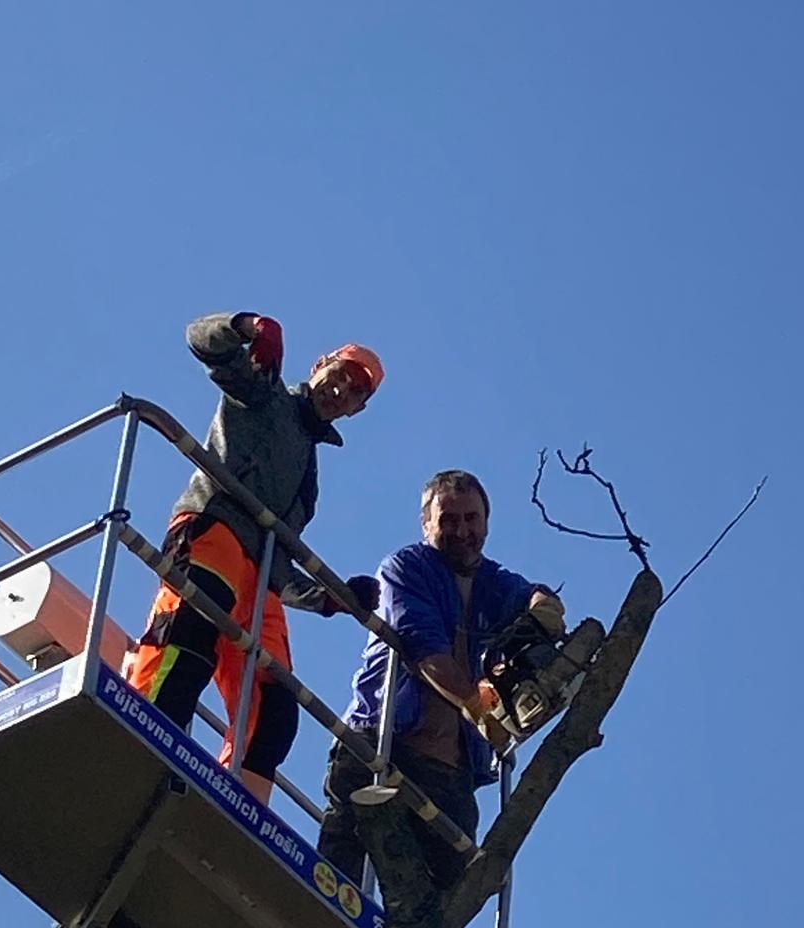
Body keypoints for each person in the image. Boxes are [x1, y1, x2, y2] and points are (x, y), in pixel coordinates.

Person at [128, 311, 384, 805]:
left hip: (261, 579)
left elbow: (282, 562)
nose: (341, 391)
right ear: (320, 365)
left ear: (358, 409)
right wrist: (246, 326)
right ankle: (143, 743)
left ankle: (235, 805)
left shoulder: (308, 475)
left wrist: (330, 598)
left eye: (356, 392)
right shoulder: (263, 394)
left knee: (275, 708)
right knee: (188, 640)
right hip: (215, 534)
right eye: (340, 375)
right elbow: (203, 343)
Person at [317, 469, 565, 891]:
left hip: (451, 774)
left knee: (444, 897)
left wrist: (545, 607)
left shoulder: (495, 584)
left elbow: (530, 595)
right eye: (449, 520)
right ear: (426, 524)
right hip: (383, 742)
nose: (462, 531)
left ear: (486, 522)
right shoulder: (406, 568)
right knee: (340, 876)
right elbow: (424, 650)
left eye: (471, 519)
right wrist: (478, 707)